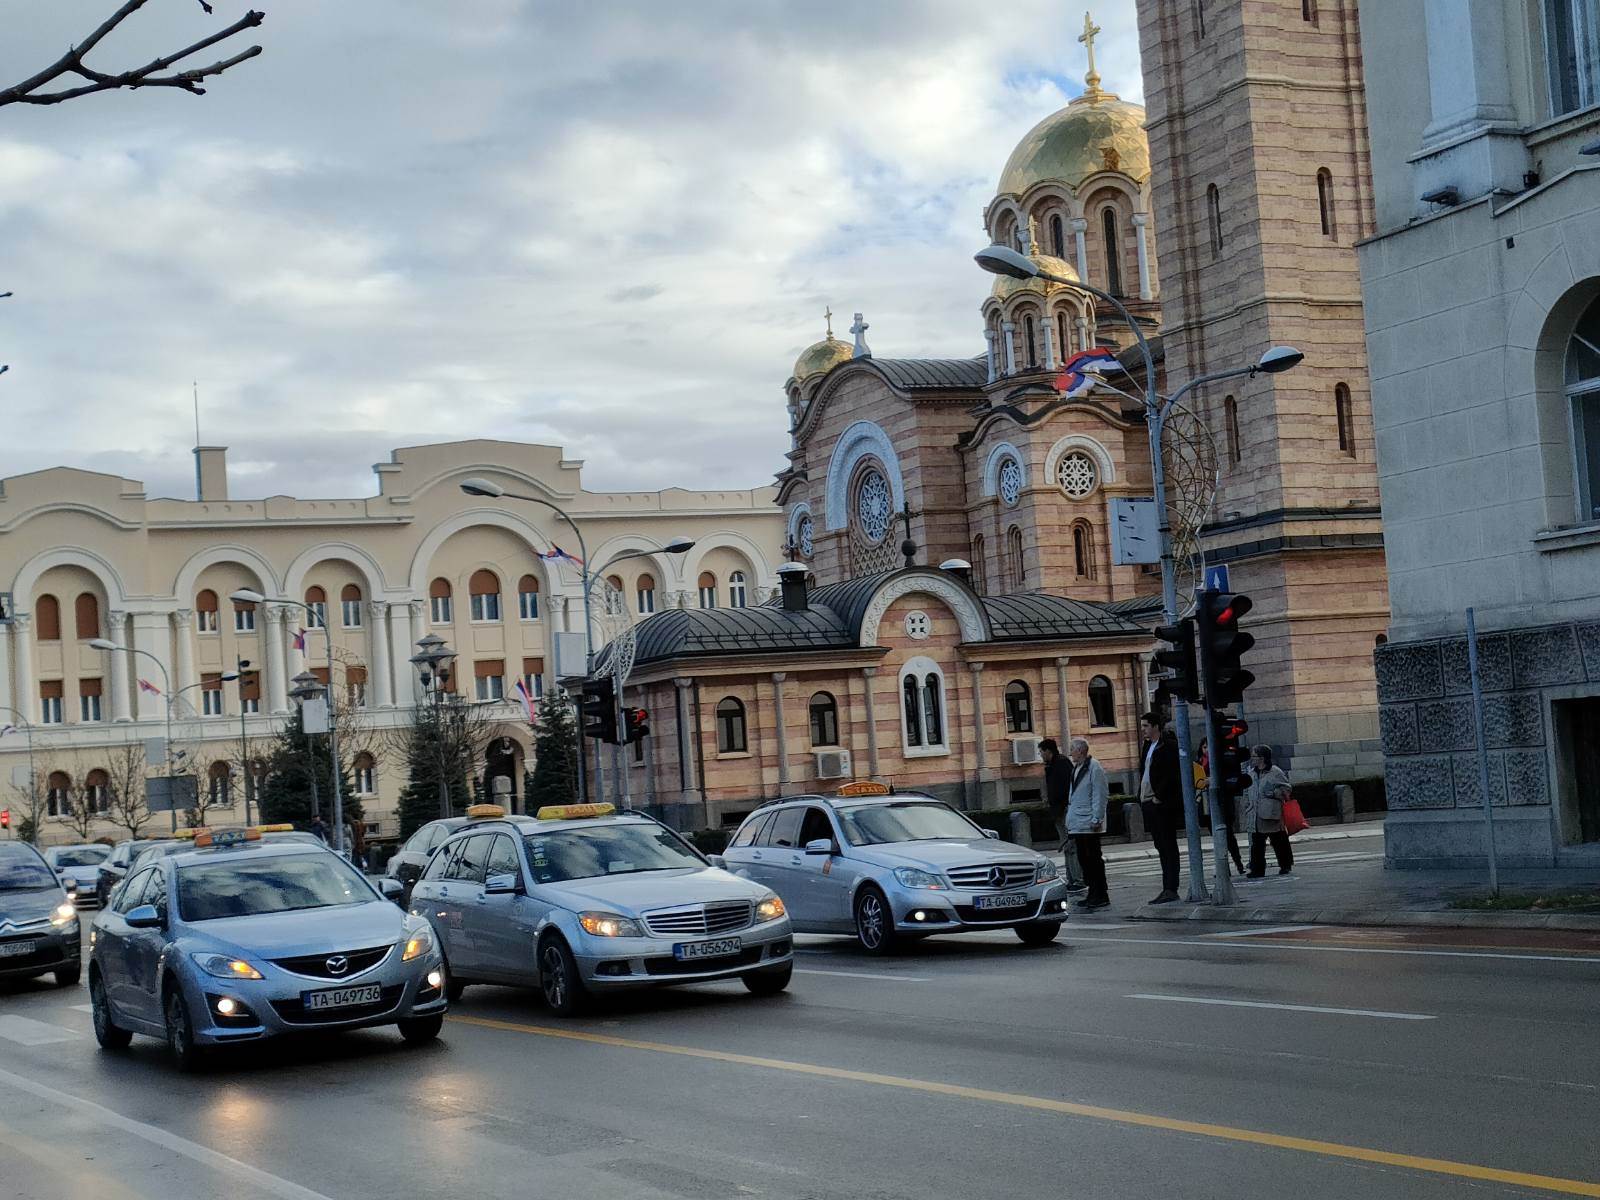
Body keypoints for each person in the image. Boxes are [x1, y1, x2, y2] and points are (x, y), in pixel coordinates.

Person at [1140, 712, 1183, 903]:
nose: (1143, 730)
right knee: (1160, 846)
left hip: (1162, 803)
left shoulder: (1168, 746)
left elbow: (1173, 774)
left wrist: (1160, 796)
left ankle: (1171, 887)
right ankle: (1167, 888)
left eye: (1146, 726)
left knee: (1168, 846)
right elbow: (1145, 772)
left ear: (1156, 726)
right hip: (1148, 801)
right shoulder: (1148, 746)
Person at [1064, 737, 1110, 910]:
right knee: (1084, 859)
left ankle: (1101, 893)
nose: (1070, 753)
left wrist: (1097, 818)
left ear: (1081, 750)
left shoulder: (1094, 767)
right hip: (1079, 822)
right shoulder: (1077, 768)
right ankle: (1093, 892)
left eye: (1072, 749)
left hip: (1089, 822)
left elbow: (1100, 793)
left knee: (1093, 859)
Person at [1239, 745, 1294, 879]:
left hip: (1271, 813)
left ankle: (1285, 865)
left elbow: (1287, 789)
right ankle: (1257, 869)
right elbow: (1246, 790)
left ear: (1262, 758)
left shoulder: (1275, 772)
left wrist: (1274, 793)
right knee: (1256, 844)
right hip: (1255, 813)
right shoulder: (1251, 773)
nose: (1252, 759)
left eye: (1254, 756)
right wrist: (1247, 805)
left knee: (1278, 840)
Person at [1040, 739, 1087, 892]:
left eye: (1041, 752)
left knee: (1071, 845)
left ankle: (1078, 880)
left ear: (1048, 751)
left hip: (1065, 810)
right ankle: (1072, 879)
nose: (1040, 755)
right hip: (1060, 811)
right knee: (1067, 846)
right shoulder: (1052, 765)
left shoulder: (1061, 763)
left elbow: (1067, 787)